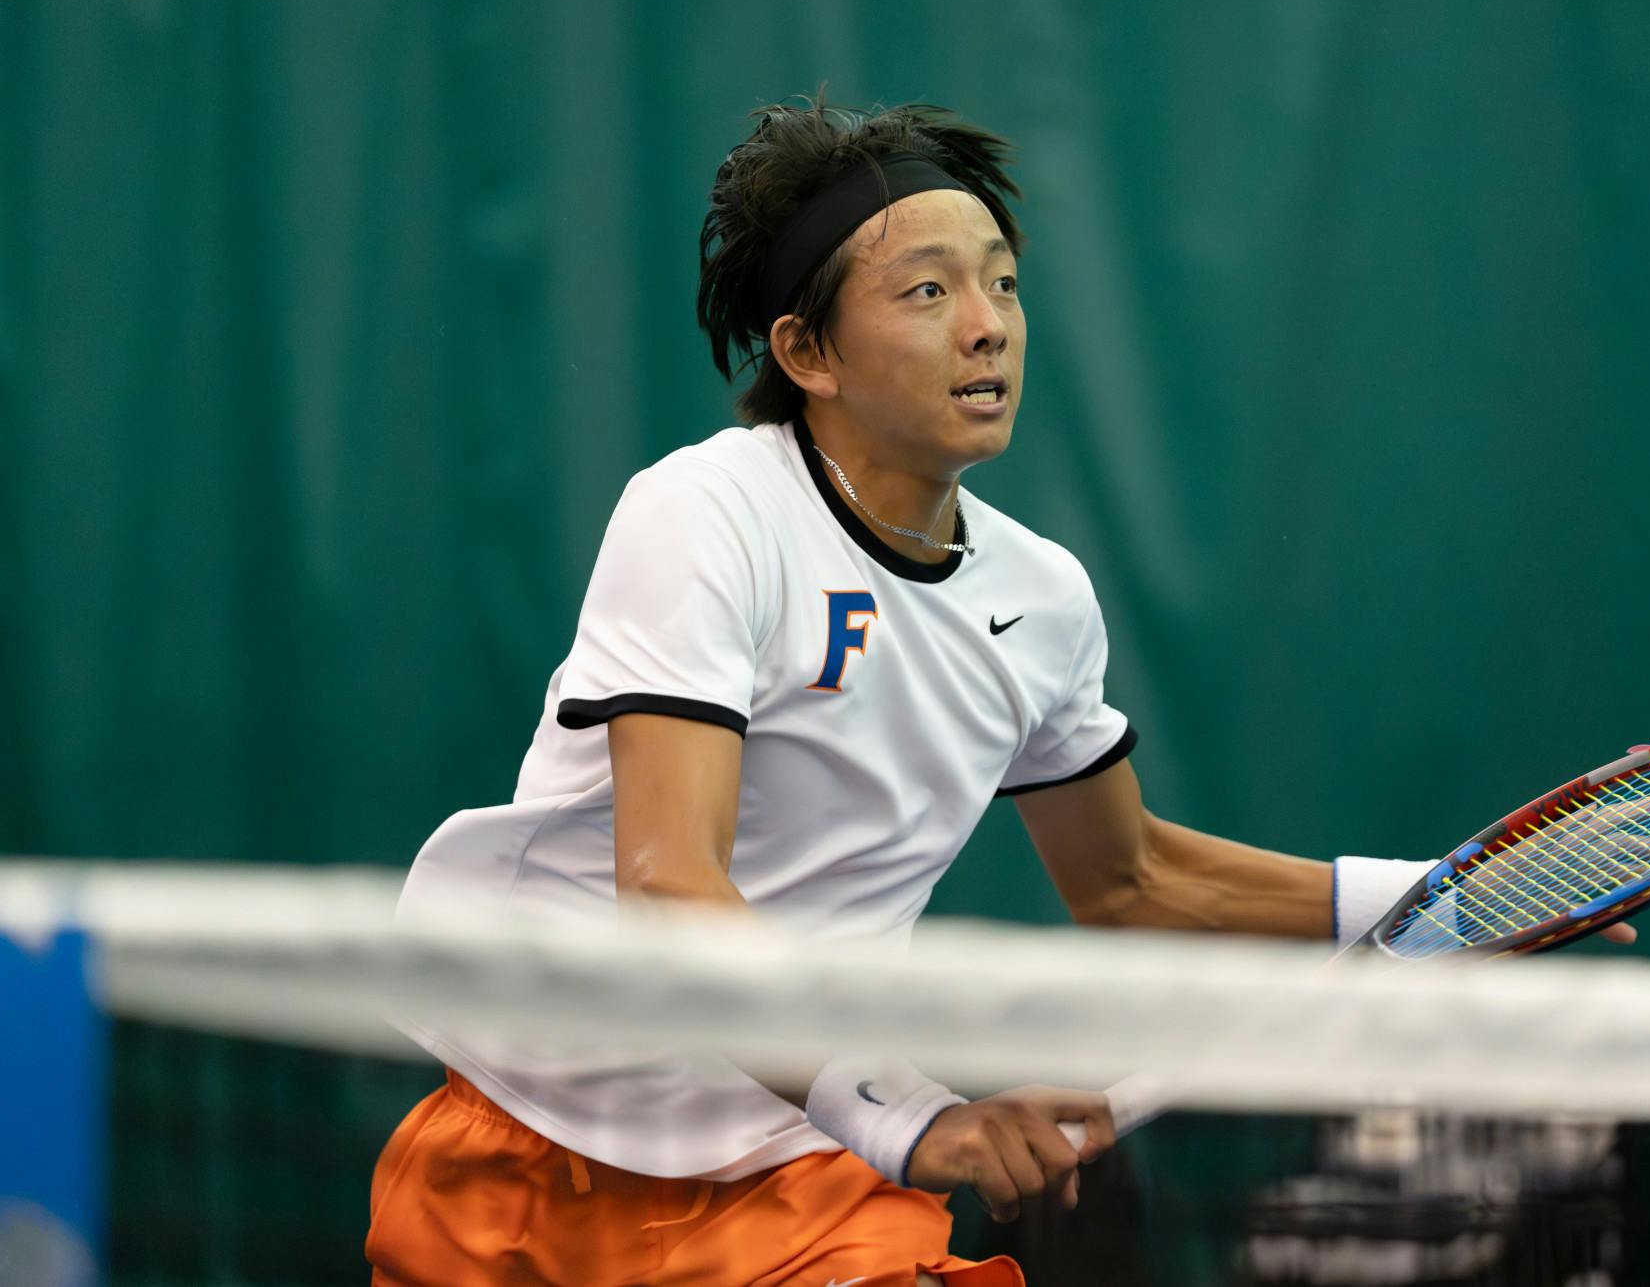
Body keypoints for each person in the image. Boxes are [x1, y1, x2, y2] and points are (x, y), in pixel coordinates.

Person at [362, 95, 1454, 1287]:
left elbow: (1129, 877)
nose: (986, 328)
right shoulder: (705, 513)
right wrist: (908, 1114)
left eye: (1003, 284)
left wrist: (1443, 898)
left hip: (798, 1182)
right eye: (928, 291)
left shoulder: (1040, 599)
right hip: (522, 1155)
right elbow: (670, 879)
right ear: (806, 354)